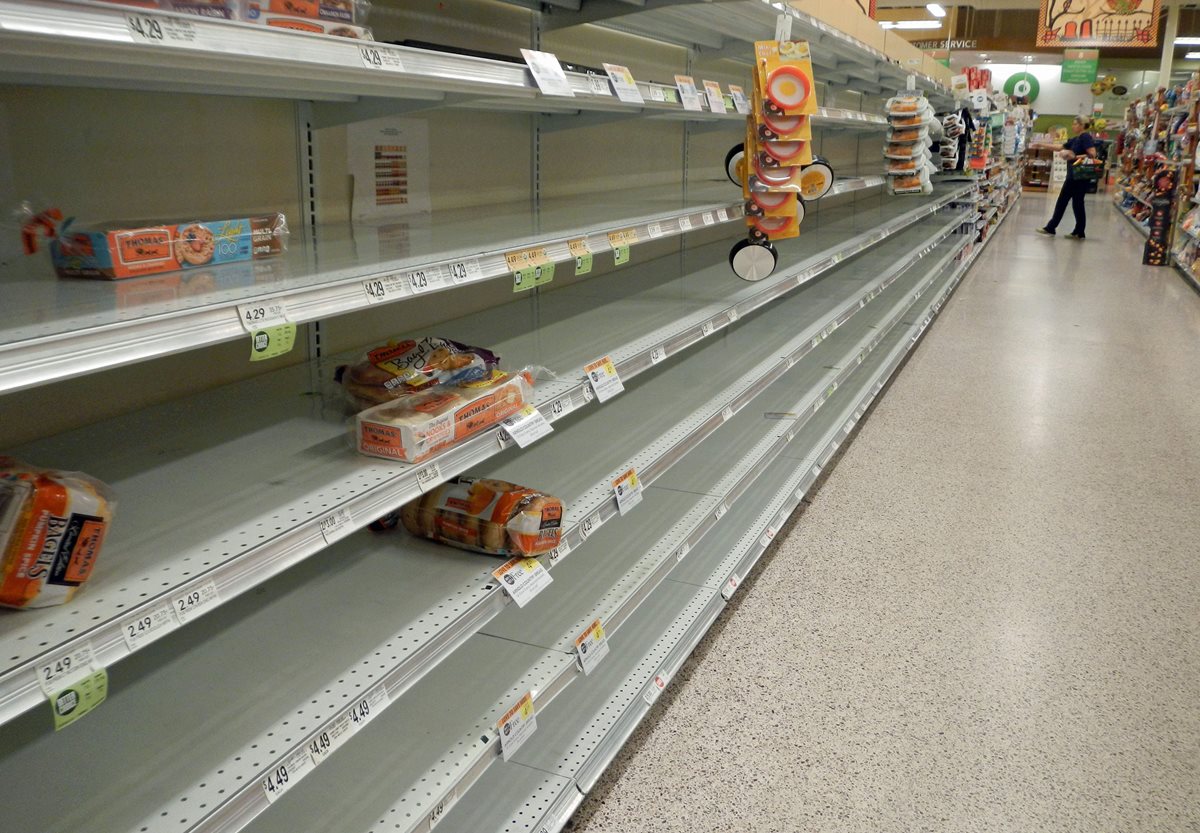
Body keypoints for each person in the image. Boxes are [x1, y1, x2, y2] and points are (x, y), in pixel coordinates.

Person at [1035, 116, 1098, 240]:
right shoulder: (1076, 139)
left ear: (1081, 125)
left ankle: (1052, 227)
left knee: (1065, 201)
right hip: (1074, 174)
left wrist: (1073, 155)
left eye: (1075, 124)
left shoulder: (1085, 137)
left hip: (1079, 175)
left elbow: (1092, 154)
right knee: (1077, 203)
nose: (1073, 126)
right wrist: (1041, 144)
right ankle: (1078, 231)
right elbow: (1059, 147)